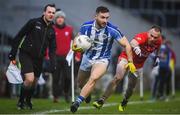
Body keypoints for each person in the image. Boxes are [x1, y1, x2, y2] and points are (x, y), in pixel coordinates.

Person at [70, 6, 136, 113]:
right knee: (80, 83)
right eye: (102, 17)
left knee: (93, 78)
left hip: (102, 60)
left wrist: (130, 61)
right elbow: (77, 39)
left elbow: (127, 45)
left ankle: (77, 102)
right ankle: (87, 94)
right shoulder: (86, 26)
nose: (105, 20)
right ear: (96, 16)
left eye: (107, 18)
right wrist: (75, 46)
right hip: (87, 58)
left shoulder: (112, 30)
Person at [93, 25, 162, 112]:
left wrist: (157, 57)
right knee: (118, 77)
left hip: (138, 65)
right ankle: (101, 100)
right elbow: (133, 42)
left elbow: (157, 49)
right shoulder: (143, 36)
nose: (152, 38)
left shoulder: (158, 41)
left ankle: (125, 101)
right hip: (126, 57)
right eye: (151, 35)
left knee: (131, 86)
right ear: (148, 32)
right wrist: (136, 47)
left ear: (158, 37)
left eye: (155, 37)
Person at [8, 4, 56, 109]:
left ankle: (28, 100)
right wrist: (13, 52)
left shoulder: (52, 30)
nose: (51, 14)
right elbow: (19, 35)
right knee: (29, 79)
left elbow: (52, 50)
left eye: (53, 13)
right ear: (44, 12)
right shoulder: (34, 22)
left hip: (39, 58)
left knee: (34, 82)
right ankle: (21, 101)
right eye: (49, 12)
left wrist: (53, 64)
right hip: (26, 54)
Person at [52, 9, 73, 103]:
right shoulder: (52, 29)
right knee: (56, 78)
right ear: (55, 19)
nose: (60, 19)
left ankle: (66, 92)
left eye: (61, 17)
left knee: (68, 77)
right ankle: (55, 96)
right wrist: (48, 55)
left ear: (64, 19)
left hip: (67, 58)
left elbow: (76, 43)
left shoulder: (70, 29)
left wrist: (77, 55)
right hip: (55, 57)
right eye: (58, 17)